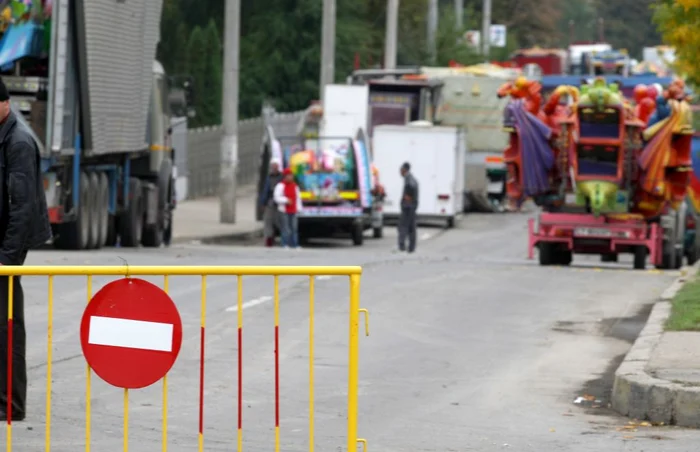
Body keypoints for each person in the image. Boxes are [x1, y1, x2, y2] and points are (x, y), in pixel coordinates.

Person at [0, 78, 51, 421]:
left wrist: (6, 259)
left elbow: (22, 207)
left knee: (6, 327)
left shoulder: (18, 142)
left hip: (7, 248)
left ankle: (10, 405)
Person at [273, 168, 303, 249]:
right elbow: (276, 197)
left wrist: (299, 208)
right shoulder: (280, 186)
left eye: (291, 175)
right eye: (289, 175)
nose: (291, 177)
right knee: (285, 228)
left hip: (293, 210)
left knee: (294, 228)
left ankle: (295, 244)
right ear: (285, 176)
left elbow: (298, 198)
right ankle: (285, 243)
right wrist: (286, 200)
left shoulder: (295, 186)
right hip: (284, 210)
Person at [259, 158, 283, 247]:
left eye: (275, 166)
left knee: (279, 222)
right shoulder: (269, 177)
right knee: (268, 221)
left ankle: (284, 239)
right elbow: (265, 190)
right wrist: (263, 203)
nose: (274, 168)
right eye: (273, 166)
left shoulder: (282, 177)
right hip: (270, 202)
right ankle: (269, 240)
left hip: (280, 203)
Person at [398, 162, 418, 253]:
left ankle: (402, 246)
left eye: (401, 170)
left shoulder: (409, 179)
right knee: (411, 227)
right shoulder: (411, 178)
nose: (400, 172)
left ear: (404, 170)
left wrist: (408, 197)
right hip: (411, 206)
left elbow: (411, 187)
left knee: (403, 226)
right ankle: (411, 247)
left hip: (408, 206)